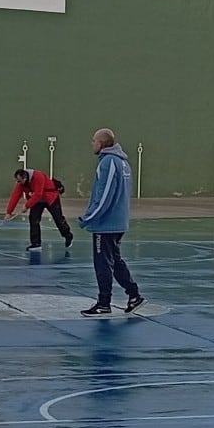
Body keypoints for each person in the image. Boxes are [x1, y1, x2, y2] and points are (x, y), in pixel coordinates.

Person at [77, 127, 144, 317]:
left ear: (101, 143)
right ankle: (134, 295)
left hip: (106, 224)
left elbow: (104, 195)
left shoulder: (108, 163)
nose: (92, 143)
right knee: (114, 260)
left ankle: (104, 303)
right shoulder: (123, 163)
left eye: (93, 140)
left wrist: (88, 217)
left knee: (103, 263)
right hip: (117, 221)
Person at [4, 166, 73, 250]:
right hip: (37, 201)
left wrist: (27, 206)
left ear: (25, 178)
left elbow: (38, 194)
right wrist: (9, 212)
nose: (18, 183)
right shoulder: (20, 184)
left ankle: (68, 235)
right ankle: (36, 243)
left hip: (50, 198)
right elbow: (15, 196)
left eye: (19, 181)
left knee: (58, 219)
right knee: (33, 219)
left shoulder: (38, 176)